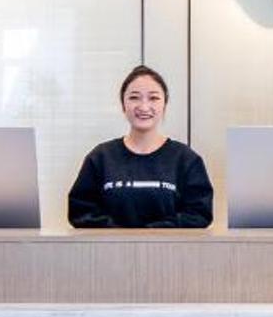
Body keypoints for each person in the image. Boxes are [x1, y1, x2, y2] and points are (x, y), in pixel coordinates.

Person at [67, 65, 214, 228]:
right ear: (123, 105)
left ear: (164, 105)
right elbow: (80, 212)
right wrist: (121, 235)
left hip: (168, 245)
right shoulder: (101, 157)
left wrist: (154, 233)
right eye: (134, 97)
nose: (144, 107)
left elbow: (199, 214)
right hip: (111, 245)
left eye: (153, 98)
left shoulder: (186, 159)